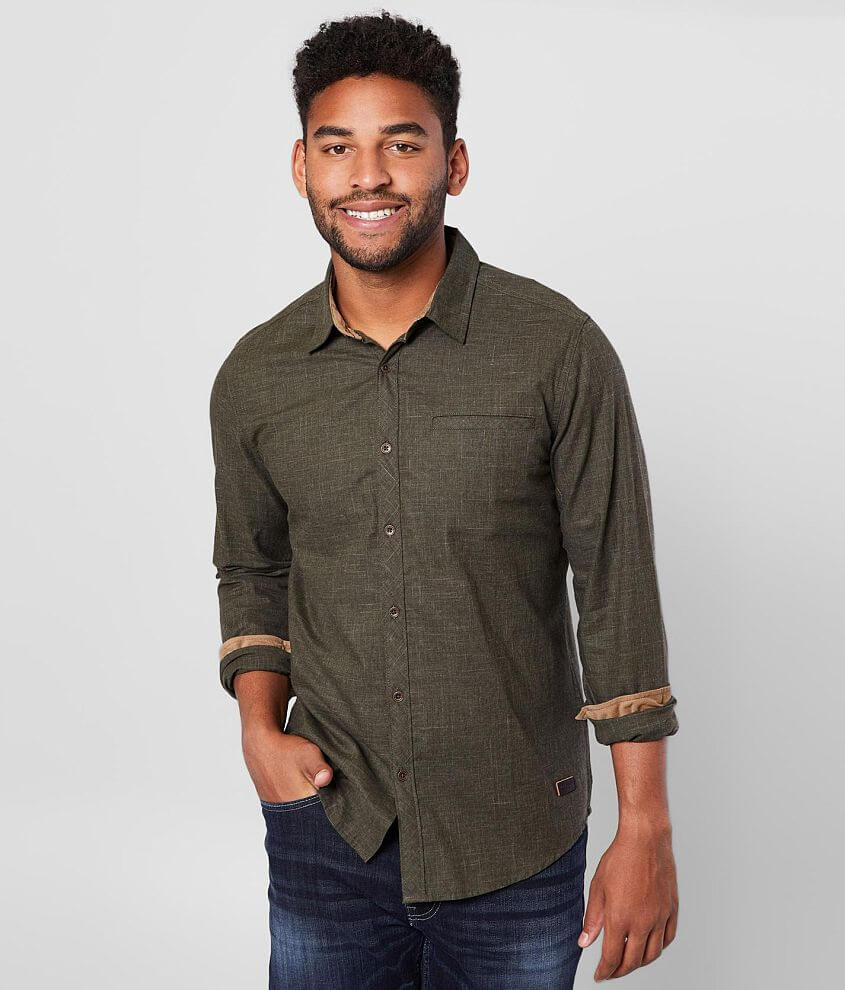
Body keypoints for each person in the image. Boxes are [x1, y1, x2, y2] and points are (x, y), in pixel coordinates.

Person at [209, 11, 680, 988]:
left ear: (452, 163)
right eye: (337, 147)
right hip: (328, 830)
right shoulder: (256, 375)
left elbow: (615, 589)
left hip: (517, 835)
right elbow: (253, 566)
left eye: (401, 144)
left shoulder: (556, 348)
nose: (367, 176)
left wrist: (644, 828)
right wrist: (259, 730)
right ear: (300, 167)